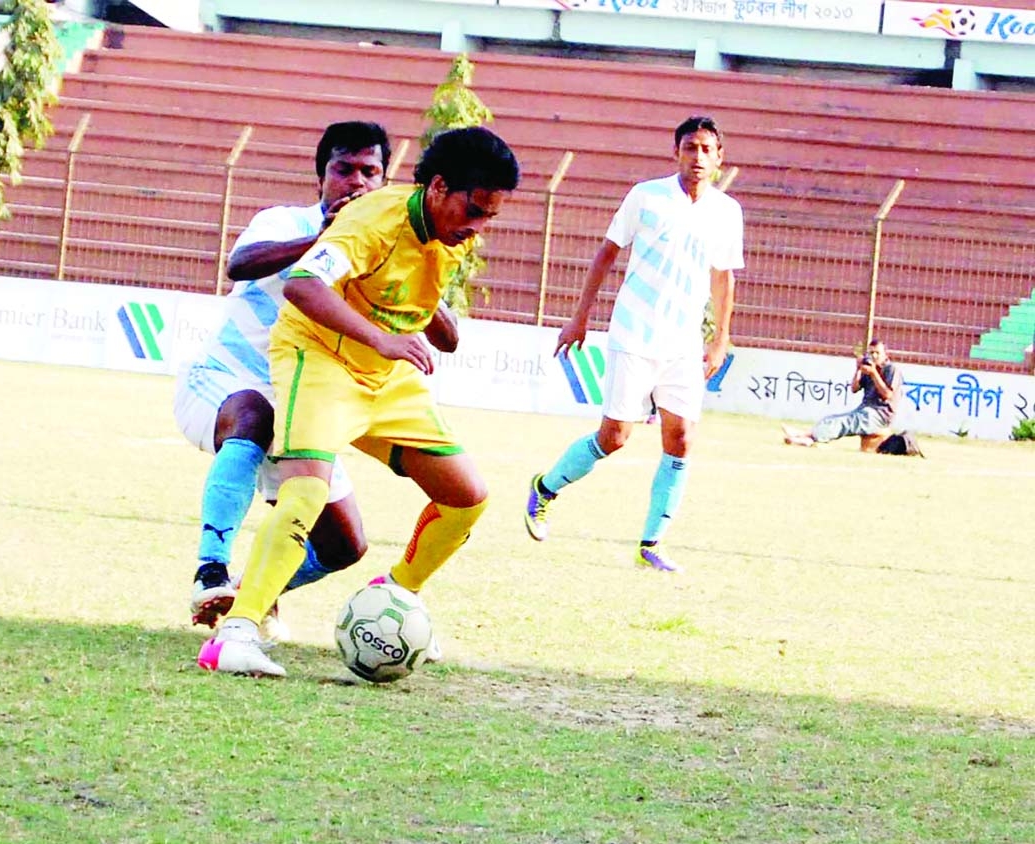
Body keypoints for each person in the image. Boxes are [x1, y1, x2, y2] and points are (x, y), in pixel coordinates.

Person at [197, 126, 520, 677]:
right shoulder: (373, 219)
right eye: (474, 210)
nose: (477, 228)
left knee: (467, 496)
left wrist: (420, 330)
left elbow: (420, 308)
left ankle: (394, 598)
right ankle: (236, 634)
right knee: (304, 492)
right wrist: (384, 339)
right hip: (318, 359)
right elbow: (303, 285)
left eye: (490, 216)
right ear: (438, 187)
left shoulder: (444, 235)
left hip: (384, 377)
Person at [523, 115, 744, 575]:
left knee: (681, 439)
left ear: (720, 157)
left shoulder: (727, 212)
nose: (698, 157)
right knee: (615, 438)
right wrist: (580, 317)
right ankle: (545, 489)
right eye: (690, 147)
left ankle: (652, 543)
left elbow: (723, 278)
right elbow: (607, 252)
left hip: (684, 344)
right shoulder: (647, 196)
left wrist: (720, 339)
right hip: (633, 334)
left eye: (707, 149)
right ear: (676, 152)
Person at [781, 339, 902, 451]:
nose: (874, 356)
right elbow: (854, 388)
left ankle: (806, 436)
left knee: (846, 422)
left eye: (877, 353)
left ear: (885, 354)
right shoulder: (870, 367)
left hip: (880, 415)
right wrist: (858, 369)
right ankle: (808, 437)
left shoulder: (892, 369)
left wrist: (874, 373)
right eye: (871, 353)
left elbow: (887, 395)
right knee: (832, 419)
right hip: (864, 410)